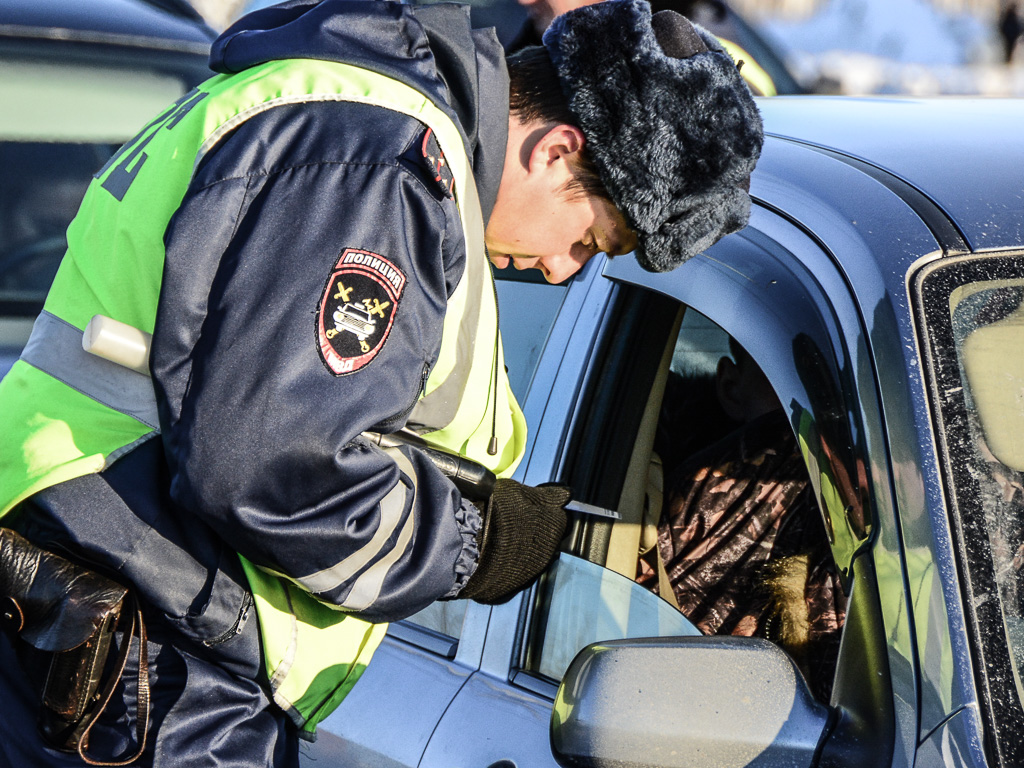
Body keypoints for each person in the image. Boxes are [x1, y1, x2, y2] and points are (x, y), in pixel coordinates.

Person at [0, 0, 762, 765]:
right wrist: (479, 544)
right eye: (591, 238)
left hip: (109, 611)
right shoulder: (381, 166)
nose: (564, 270)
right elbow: (270, 466)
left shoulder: (344, 113)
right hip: (152, 656)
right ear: (558, 151)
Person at [638, 339, 845, 700]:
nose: (808, 410)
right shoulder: (678, 507)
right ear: (731, 388)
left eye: (835, 393)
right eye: (784, 379)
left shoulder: (898, 507)